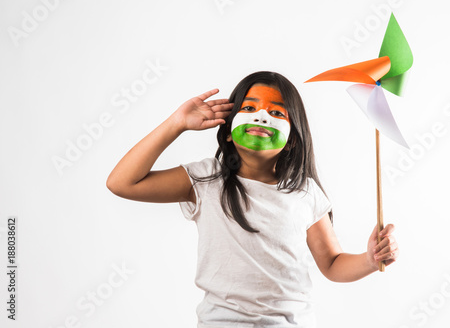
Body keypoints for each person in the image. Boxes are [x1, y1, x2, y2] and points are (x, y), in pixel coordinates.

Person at [106, 71, 399, 328]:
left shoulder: (305, 191)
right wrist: (176, 123)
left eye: (277, 113)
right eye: (249, 108)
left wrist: (370, 259)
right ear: (229, 131)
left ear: (292, 139)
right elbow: (122, 183)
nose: (261, 117)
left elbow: (333, 264)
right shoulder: (205, 180)